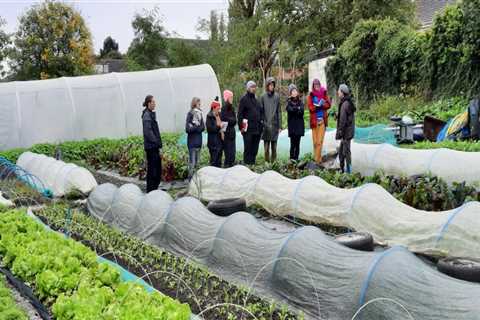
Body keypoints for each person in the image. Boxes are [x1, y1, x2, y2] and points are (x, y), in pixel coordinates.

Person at [238, 81, 264, 165]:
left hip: (257, 129)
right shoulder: (244, 99)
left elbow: (260, 112)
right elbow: (240, 114)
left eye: (254, 87)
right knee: (248, 148)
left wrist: (261, 125)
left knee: (254, 149)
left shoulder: (256, 100)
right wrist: (241, 127)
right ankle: (247, 165)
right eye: (252, 87)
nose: (254, 88)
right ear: (248, 88)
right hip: (248, 129)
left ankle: (252, 165)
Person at [307, 78, 331, 164]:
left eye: (318, 85)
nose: (316, 87)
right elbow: (310, 107)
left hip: (322, 121)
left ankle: (316, 161)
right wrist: (316, 106)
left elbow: (329, 104)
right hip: (314, 122)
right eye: (315, 85)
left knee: (320, 142)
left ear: (319, 85)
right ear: (313, 86)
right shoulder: (311, 95)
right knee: (315, 142)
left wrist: (322, 104)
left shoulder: (324, 93)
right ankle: (319, 159)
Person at [142, 95, 163, 192]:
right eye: (153, 102)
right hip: (151, 148)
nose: (155, 104)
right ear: (149, 103)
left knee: (156, 169)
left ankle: (154, 189)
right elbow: (148, 132)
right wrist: (157, 143)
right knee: (153, 171)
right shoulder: (147, 115)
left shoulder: (150, 114)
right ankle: (151, 191)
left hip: (154, 147)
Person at [336, 84, 356, 173]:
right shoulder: (347, 102)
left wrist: (340, 131)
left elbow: (343, 120)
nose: (337, 92)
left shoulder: (345, 104)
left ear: (342, 93)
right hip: (348, 131)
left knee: (346, 152)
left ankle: (348, 171)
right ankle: (342, 169)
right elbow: (346, 117)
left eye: (339, 91)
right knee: (342, 151)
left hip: (346, 132)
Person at [260, 77, 281, 162]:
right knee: (266, 149)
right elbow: (261, 111)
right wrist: (262, 123)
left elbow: (279, 112)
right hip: (265, 126)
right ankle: (266, 164)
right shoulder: (263, 97)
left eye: (273, 85)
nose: (272, 86)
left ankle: (273, 165)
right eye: (270, 85)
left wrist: (280, 126)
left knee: (274, 149)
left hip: (275, 125)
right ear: (267, 86)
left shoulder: (277, 97)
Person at [185, 97, 205, 179]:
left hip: (198, 142)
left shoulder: (200, 114)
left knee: (197, 163)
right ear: (194, 104)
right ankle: (190, 181)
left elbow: (203, 127)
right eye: (198, 103)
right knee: (192, 163)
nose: (199, 105)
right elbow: (187, 129)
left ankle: (196, 182)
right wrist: (196, 127)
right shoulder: (190, 114)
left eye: (200, 103)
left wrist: (195, 127)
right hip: (192, 143)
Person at [286, 84, 305, 161]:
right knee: (292, 145)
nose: (294, 92)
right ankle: (291, 160)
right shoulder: (288, 102)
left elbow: (301, 112)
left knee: (297, 145)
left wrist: (296, 109)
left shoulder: (300, 102)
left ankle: (296, 160)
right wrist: (297, 108)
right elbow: (290, 110)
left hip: (299, 127)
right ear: (290, 93)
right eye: (292, 91)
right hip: (292, 127)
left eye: (295, 91)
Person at [221, 90, 237, 167]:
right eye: (231, 97)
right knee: (228, 154)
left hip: (232, 134)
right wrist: (231, 120)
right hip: (226, 134)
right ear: (227, 98)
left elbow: (235, 120)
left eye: (232, 97)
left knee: (233, 154)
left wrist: (230, 120)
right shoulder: (223, 109)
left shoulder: (232, 108)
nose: (232, 99)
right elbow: (224, 120)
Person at [206, 99, 223, 167]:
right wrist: (218, 126)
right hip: (213, 142)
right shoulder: (209, 116)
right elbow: (210, 129)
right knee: (214, 160)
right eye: (217, 109)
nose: (218, 110)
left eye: (219, 109)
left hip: (219, 141)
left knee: (219, 160)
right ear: (213, 108)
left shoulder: (219, 115)